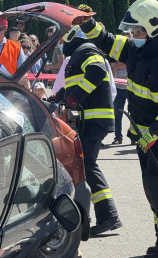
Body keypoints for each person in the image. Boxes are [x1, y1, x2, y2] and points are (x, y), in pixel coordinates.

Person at [79, 0, 158, 258]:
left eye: (137, 32)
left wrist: (154, 133)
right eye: (131, 32)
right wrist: (87, 23)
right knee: (152, 187)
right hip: (144, 135)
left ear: (152, 30)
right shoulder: (134, 50)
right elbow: (106, 40)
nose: (132, 37)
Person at [58, 25, 122, 236]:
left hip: (95, 118)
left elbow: (96, 71)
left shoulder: (85, 49)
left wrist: (75, 97)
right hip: (90, 118)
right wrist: (57, 97)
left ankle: (109, 215)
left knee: (87, 163)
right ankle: (106, 215)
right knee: (85, 163)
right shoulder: (79, 53)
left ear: (71, 36)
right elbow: (73, 85)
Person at [111, 30, 132, 145]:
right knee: (118, 112)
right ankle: (118, 137)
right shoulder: (116, 51)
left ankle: (134, 137)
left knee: (134, 112)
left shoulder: (133, 50)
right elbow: (113, 65)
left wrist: (121, 63)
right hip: (118, 86)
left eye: (128, 36)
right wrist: (127, 63)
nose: (126, 38)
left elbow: (132, 63)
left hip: (132, 86)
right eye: (124, 36)